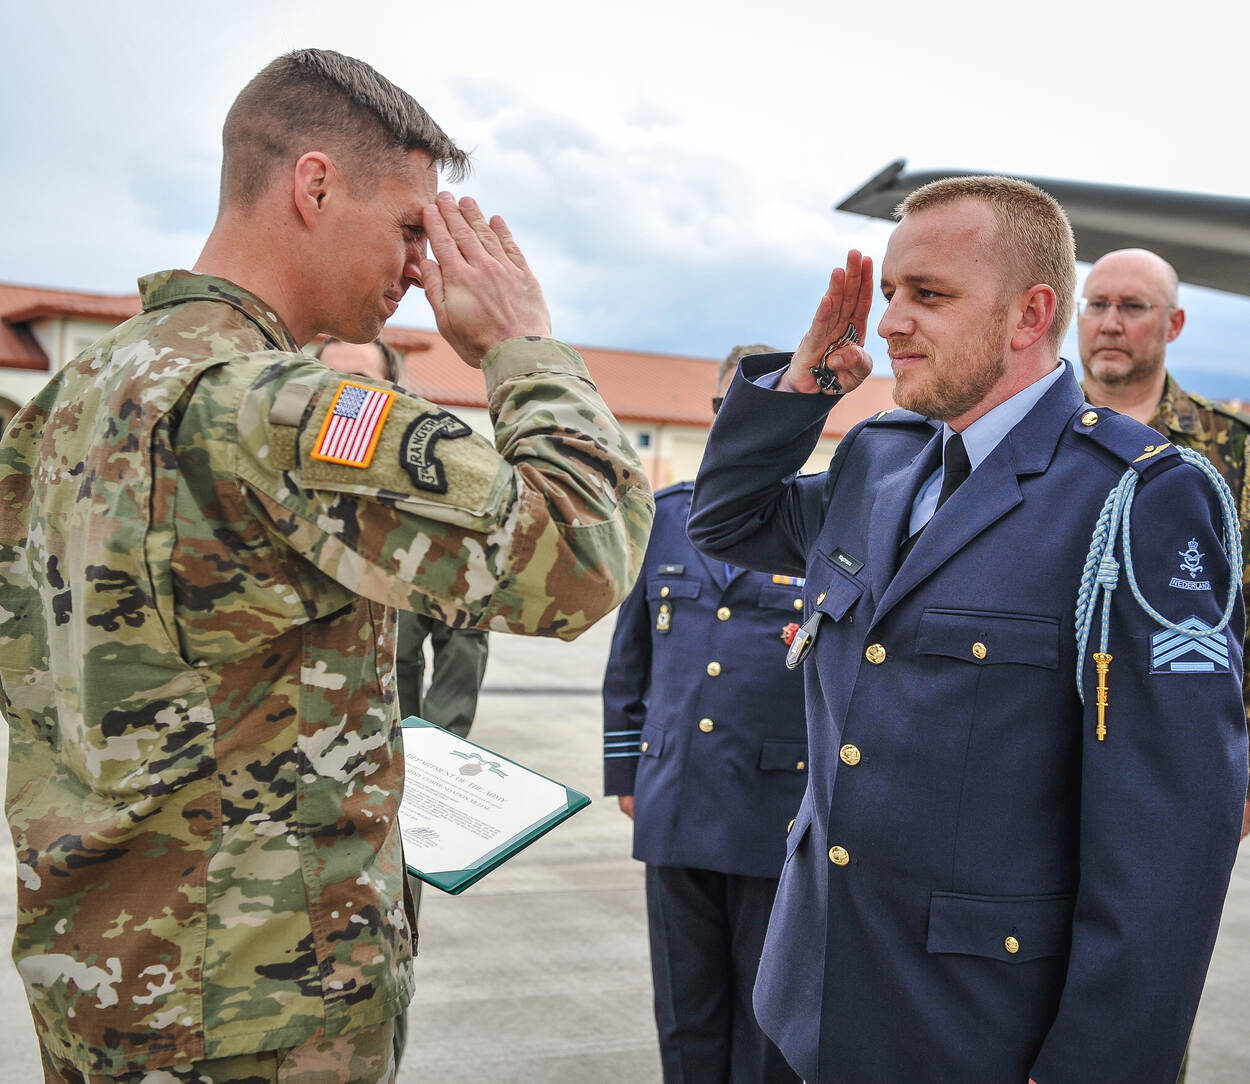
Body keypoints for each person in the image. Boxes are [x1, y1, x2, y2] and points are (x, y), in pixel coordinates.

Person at [0, 48, 652, 1083]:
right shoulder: (282, 410)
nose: (420, 268)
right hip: (255, 1014)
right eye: (409, 227)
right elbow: (581, 552)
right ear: (314, 186)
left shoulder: (67, 400)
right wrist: (523, 345)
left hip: (100, 985)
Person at [687, 176, 1247, 1083]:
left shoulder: (1137, 498)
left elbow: (1169, 843)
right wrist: (801, 389)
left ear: (1030, 315)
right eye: (890, 293)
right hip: (809, 999)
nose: (889, 323)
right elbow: (723, 522)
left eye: (930, 294)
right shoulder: (881, 458)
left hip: (975, 1027)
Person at [603, 345, 805, 1084]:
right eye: (729, 408)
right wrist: (627, 771)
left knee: (765, 1020)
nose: (738, 424)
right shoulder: (666, 517)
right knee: (685, 1012)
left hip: (773, 807)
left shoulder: (818, 523)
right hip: (675, 797)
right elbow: (629, 658)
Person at [1077, 247, 1250, 845]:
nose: (1110, 323)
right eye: (1097, 305)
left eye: (1133, 307)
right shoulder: (1030, 431)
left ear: (1173, 324)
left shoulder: (1230, 447)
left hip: (1178, 753)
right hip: (1035, 742)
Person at [312, 336, 491, 739]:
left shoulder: (428, 472)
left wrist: (435, 742)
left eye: (358, 378)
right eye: (324, 376)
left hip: (386, 740)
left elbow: (462, 636)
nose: (340, 391)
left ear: (391, 389)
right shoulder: (275, 466)